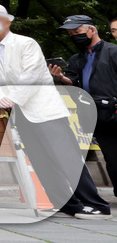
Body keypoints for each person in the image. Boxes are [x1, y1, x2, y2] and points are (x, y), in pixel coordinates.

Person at [0, 2, 110, 219]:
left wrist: (13, 99)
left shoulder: (26, 43)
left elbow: (33, 76)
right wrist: (3, 99)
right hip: (19, 112)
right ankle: (66, 203)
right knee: (40, 160)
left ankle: (96, 205)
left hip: (45, 110)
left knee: (67, 158)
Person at [53, 14, 117, 194]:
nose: (74, 36)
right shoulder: (76, 59)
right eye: (70, 33)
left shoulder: (113, 52)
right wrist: (61, 77)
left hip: (114, 108)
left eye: (77, 31)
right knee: (112, 158)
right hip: (97, 114)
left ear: (92, 30)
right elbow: (73, 82)